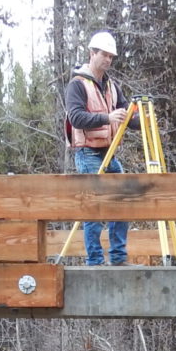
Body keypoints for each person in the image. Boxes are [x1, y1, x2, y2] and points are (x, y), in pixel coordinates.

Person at [63, 29, 130, 266]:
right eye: (105, 55)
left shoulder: (111, 86)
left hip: (108, 153)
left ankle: (119, 258)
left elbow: (124, 115)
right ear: (92, 53)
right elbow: (77, 118)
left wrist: (141, 117)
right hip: (88, 152)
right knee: (95, 207)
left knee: (122, 201)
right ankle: (94, 261)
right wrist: (107, 117)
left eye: (112, 57)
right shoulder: (78, 85)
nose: (108, 60)